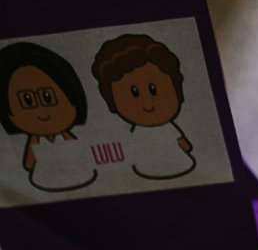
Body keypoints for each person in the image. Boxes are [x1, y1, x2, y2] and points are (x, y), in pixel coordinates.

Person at [91, 33, 195, 180]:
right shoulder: (138, 134)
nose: (147, 103)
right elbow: (135, 148)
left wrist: (186, 147)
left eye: (153, 90)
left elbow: (182, 143)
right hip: (148, 167)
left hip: (178, 163)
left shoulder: (168, 128)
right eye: (134, 93)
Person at [0, 40, 96, 192]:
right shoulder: (35, 140)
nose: (42, 112)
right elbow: (29, 164)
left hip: (77, 174)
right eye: (28, 101)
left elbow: (79, 153)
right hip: (44, 179)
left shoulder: (66, 135)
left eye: (47, 97)